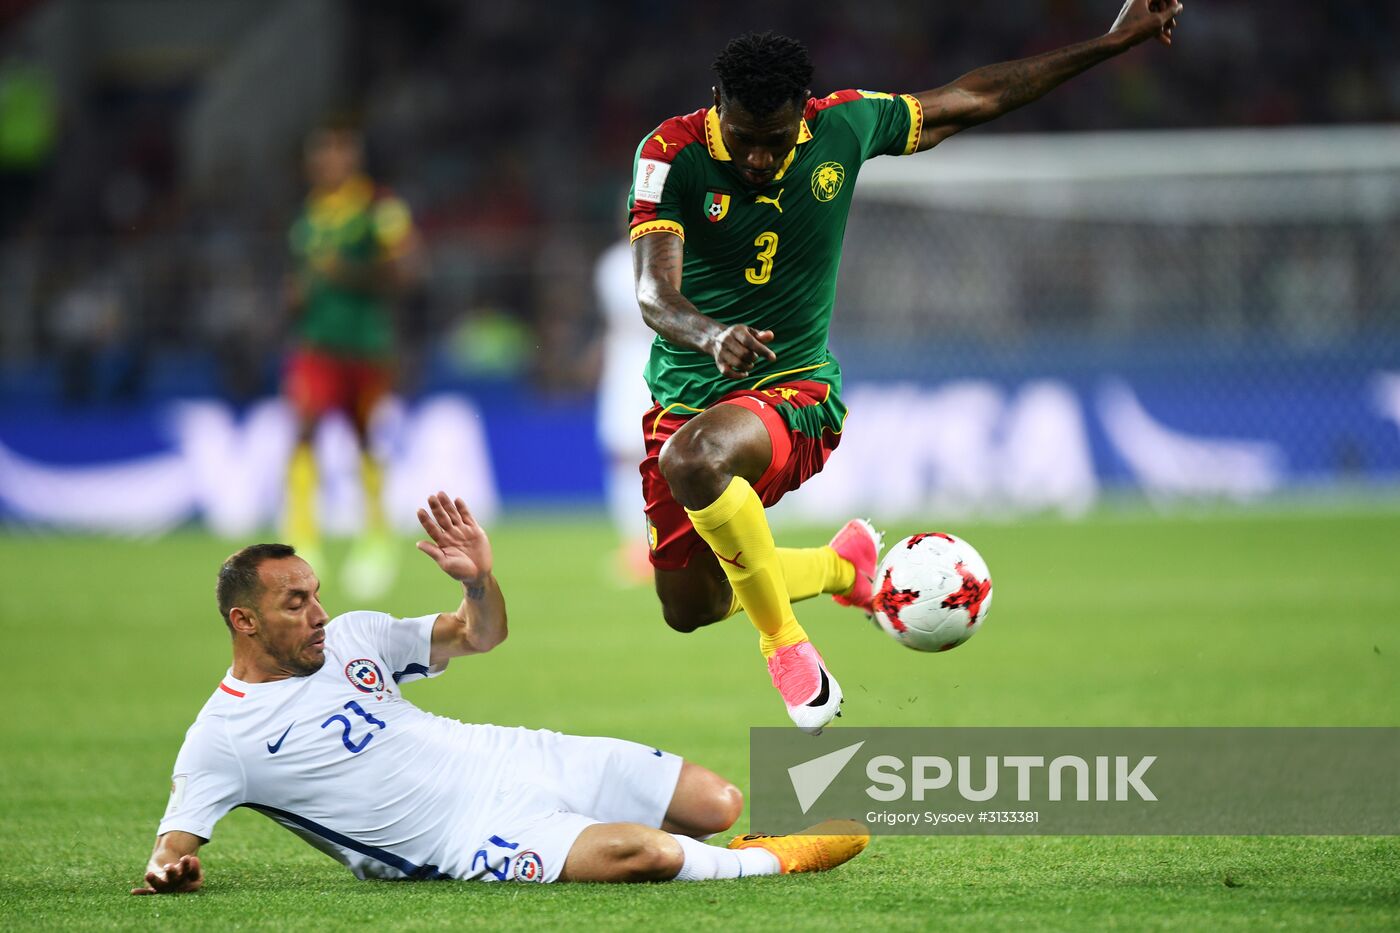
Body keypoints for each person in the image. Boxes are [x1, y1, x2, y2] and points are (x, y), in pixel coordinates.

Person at [628, 1, 1183, 732]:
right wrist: (710, 335)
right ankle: (843, 569)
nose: (758, 158)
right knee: (691, 607)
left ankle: (785, 645)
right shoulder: (669, 153)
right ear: (715, 104)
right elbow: (653, 291)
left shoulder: (846, 126)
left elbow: (974, 97)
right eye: (743, 139)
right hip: (686, 393)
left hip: (795, 393)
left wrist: (1112, 43)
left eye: (775, 140)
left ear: (803, 112)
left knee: (695, 458)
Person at [131, 492, 868, 893]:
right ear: (245, 621)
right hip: (470, 837)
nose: (319, 613)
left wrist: (479, 581)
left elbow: (479, 636)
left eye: (316, 594)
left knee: (719, 803)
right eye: (296, 604)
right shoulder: (222, 737)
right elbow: (171, 847)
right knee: (644, 854)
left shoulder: (354, 635)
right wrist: (172, 870)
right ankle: (768, 861)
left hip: (515, 755)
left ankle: (721, 841)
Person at [282, 121, 423, 599]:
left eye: (336, 151)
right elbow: (305, 275)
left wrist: (354, 273)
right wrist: (296, 293)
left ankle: (377, 539)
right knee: (303, 428)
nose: (327, 161)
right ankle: (303, 540)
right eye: (320, 152)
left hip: (366, 343)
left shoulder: (378, 207)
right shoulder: (310, 214)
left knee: (364, 437)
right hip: (316, 342)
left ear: (353, 156)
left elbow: (409, 268)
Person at [594, 237, 659, 584]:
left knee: (663, 452)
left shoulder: (677, 250)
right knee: (624, 453)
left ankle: (665, 541)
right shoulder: (614, 263)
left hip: (666, 357)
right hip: (627, 362)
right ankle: (636, 544)